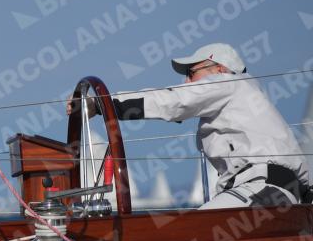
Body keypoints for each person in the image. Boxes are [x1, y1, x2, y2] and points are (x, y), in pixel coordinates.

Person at [73, 43, 312, 209]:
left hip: (262, 188)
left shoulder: (229, 83)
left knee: (188, 236)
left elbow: (173, 101)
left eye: (191, 72)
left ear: (220, 70)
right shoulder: (246, 98)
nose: (186, 81)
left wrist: (102, 104)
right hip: (275, 193)